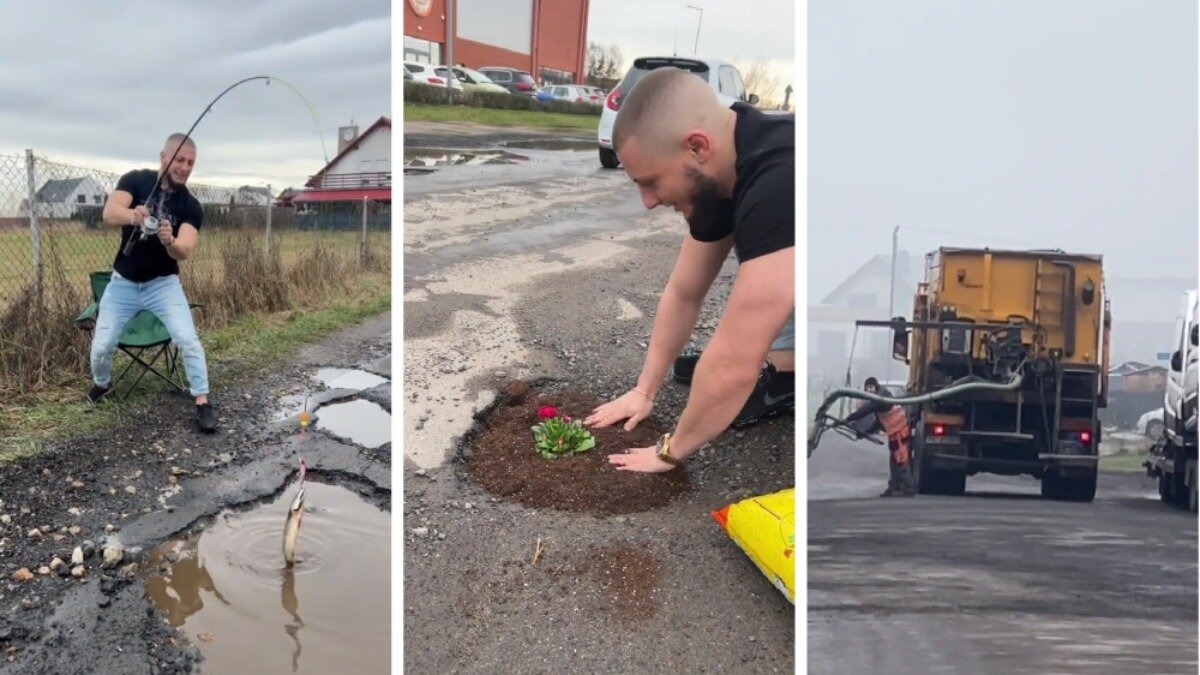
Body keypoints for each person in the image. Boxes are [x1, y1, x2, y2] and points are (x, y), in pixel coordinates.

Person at [583, 67, 794, 473]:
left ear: (697, 147)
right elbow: (685, 292)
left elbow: (734, 362)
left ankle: (792, 369)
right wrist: (644, 391)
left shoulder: (781, 183)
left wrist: (671, 450)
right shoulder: (721, 169)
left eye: (651, 182)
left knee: (759, 350)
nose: (647, 201)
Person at [88, 133, 218, 433]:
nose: (184, 167)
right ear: (164, 157)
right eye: (180, 159)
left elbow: (184, 250)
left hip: (164, 284)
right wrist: (134, 216)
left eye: (190, 163)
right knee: (102, 347)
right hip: (123, 283)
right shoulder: (136, 181)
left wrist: (169, 239)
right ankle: (103, 385)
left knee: (188, 340)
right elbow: (109, 213)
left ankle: (202, 401)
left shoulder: (191, 206)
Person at [843, 377, 914, 497]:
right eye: (867, 388)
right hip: (894, 432)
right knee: (894, 460)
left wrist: (849, 418)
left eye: (871, 387)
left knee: (901, 459)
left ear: (876, 387)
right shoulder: (879, 398)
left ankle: (909, 488)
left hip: (899, 431)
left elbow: (866, 410)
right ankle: (894, 487)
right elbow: (879, 422)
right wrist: (865, 432)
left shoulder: (880, 398)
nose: (870, 390)